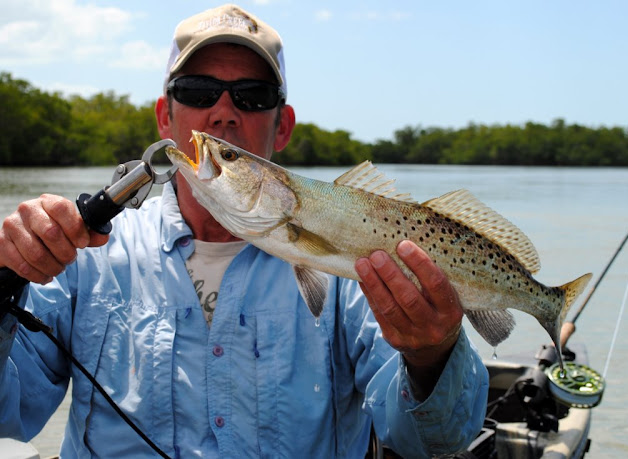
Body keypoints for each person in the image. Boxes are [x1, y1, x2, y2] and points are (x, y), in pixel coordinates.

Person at [0, 4, 488, 457]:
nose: (223, 112)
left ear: (283, 126)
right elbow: (9, 413)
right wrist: (5, 277)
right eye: (197, 91)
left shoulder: (352, 267)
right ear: (165, 117)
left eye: (253, 96)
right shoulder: (85, 252)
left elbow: (433, 440)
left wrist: (431, 357)